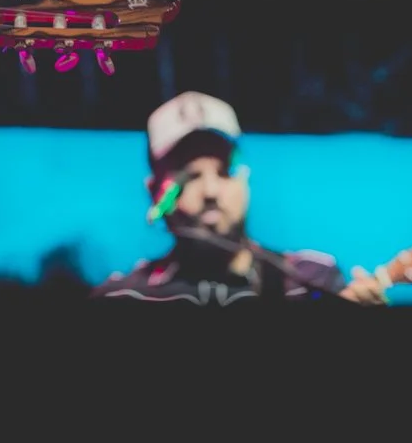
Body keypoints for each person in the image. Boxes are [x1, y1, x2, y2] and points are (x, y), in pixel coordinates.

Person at [90, 91, 388, 305]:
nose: (210, 192)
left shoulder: (312, 281)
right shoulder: (124, 295)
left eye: (224, 172)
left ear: (245, 179)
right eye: (190, 176)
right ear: (155, 191)